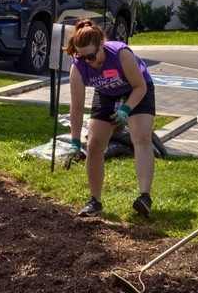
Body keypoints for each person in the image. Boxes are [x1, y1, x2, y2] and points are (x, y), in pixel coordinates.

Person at [62, 18, 156, 218]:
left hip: (136, 89)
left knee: (140, 136)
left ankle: (144, 197)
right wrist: (75, 142)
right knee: (94, 143)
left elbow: (140, 87)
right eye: (82, 56)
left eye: (91, 55)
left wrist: (125, 110)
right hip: (106, 92)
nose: (88, 61)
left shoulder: (120, 53)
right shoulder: (78, 65)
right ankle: (95, 201)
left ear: (101, 45)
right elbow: (77, 106)